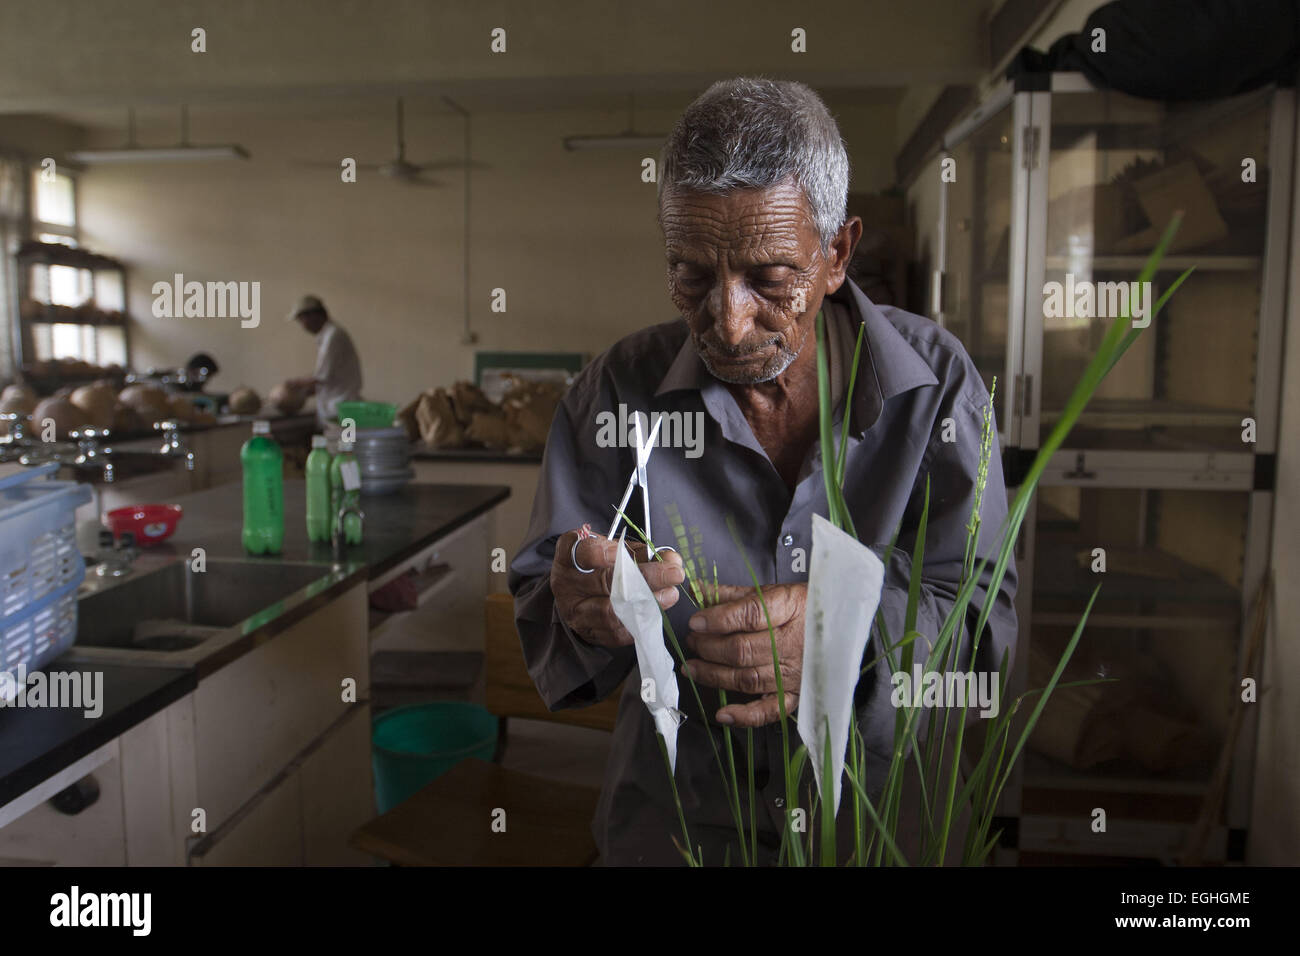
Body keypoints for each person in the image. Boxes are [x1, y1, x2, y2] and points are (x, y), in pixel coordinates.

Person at [508, 78, 1017, 866]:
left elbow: (983, 635)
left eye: (769, 278)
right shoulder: (614, 393)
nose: (728, 320)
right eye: (693, 276)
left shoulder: (937, 387)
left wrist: (847, 638)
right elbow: (549, 600)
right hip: (675, 830)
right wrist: (578, 606)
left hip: (875, 835)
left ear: (838, 254)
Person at [285, 294, 363, 425]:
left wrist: (293, 385)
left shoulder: (333, 336)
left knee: (340, 445)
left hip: (340, 408)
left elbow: (321, 376)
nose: (302, 326)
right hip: (336, 407)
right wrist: (302, 392)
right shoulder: (326, 335)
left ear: (313, 315)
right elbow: (328, 377)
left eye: (301, 320)